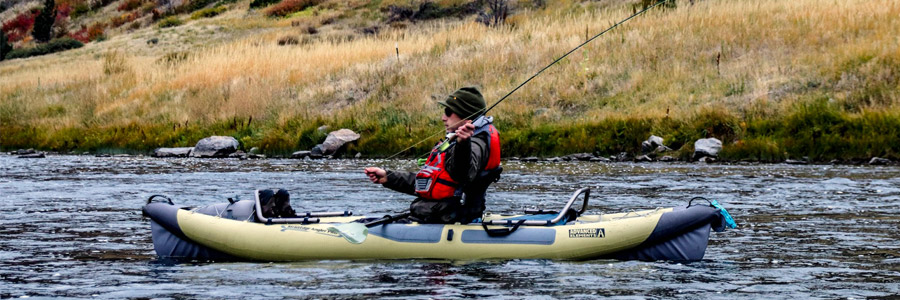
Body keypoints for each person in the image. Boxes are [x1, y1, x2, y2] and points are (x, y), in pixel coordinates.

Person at [364, 86, 501, 224]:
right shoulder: (457, 141)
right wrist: (388, 177)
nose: (443, 118)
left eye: (448, 112)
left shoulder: (476, 144)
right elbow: (431, 183)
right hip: (439, 216)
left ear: (466, 117)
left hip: (452, 220)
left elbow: (462, 174)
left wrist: (463, 144)